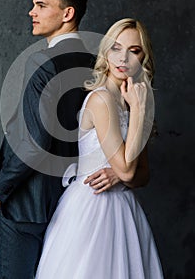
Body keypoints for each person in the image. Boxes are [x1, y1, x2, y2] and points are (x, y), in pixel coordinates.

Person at [0, 0, 131, 279]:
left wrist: (0, 187)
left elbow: (33, 140)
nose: (31, 11)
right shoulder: (98, 64)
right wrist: (121, 171)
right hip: (71, 203)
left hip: (25, 202)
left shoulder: (43, 60)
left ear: (68, 14)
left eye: (41, 5)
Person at [35, 18, 164, 279]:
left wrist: (117, 174)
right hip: (93, 207)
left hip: (125, 209)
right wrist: (140, 110)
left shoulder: (131, 102)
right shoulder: (101, 99)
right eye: (116, 48)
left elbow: (142, 174)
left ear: (143, 58)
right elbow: (130, 172)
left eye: (134, 51)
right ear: (106, 51)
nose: (123, 58)